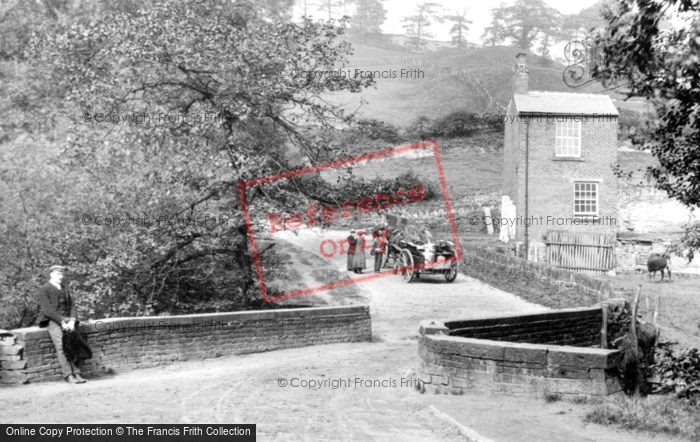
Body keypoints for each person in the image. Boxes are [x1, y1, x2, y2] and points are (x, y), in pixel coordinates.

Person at [36, 265, 86, 384]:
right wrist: (62, 322)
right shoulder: (44, 289)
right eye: (58, 274)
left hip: (68, 320)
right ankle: (68, 375)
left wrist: (73, 320)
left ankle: (77, 373)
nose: (61, 276)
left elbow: (73, 305)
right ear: (51, 274)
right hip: (53, 320)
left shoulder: (64, 288)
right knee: (62, 346)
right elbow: (47, 310)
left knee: (74, 344)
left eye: (62, 274)